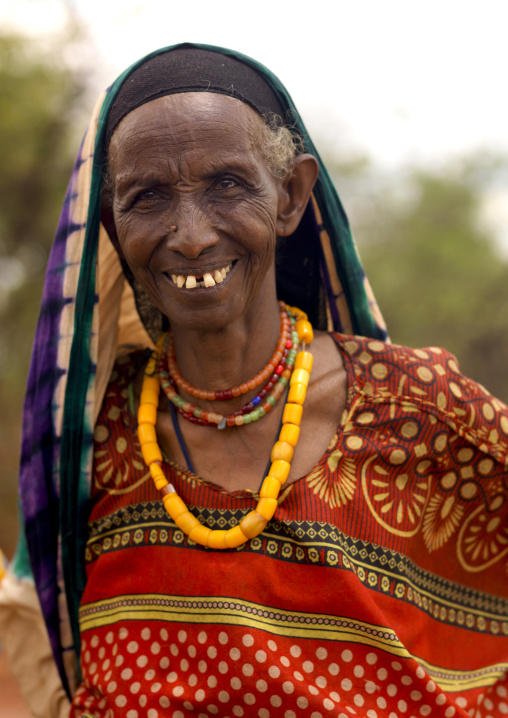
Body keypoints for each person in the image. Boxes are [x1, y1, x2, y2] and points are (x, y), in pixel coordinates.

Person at [0, 42, 507, 718]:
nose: (190, 235)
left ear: (292, 195)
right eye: (147, 197)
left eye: (228, 185)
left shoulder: (419, 411)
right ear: (110, 227)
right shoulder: (93, 434)